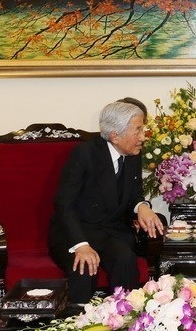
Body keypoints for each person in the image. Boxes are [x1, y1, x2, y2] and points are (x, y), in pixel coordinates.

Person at [48, 100, 164, 303]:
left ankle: (125, 314)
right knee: (84, 267)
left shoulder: (133, 154)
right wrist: (81, 245)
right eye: (137, 130)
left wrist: (142, 207)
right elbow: (64, 204)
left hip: (109, 232)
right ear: (115, 136)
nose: (143, 137)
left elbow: (134, 193)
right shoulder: (84, 154)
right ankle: (79, 319)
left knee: (125, 259)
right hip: (75, 232)